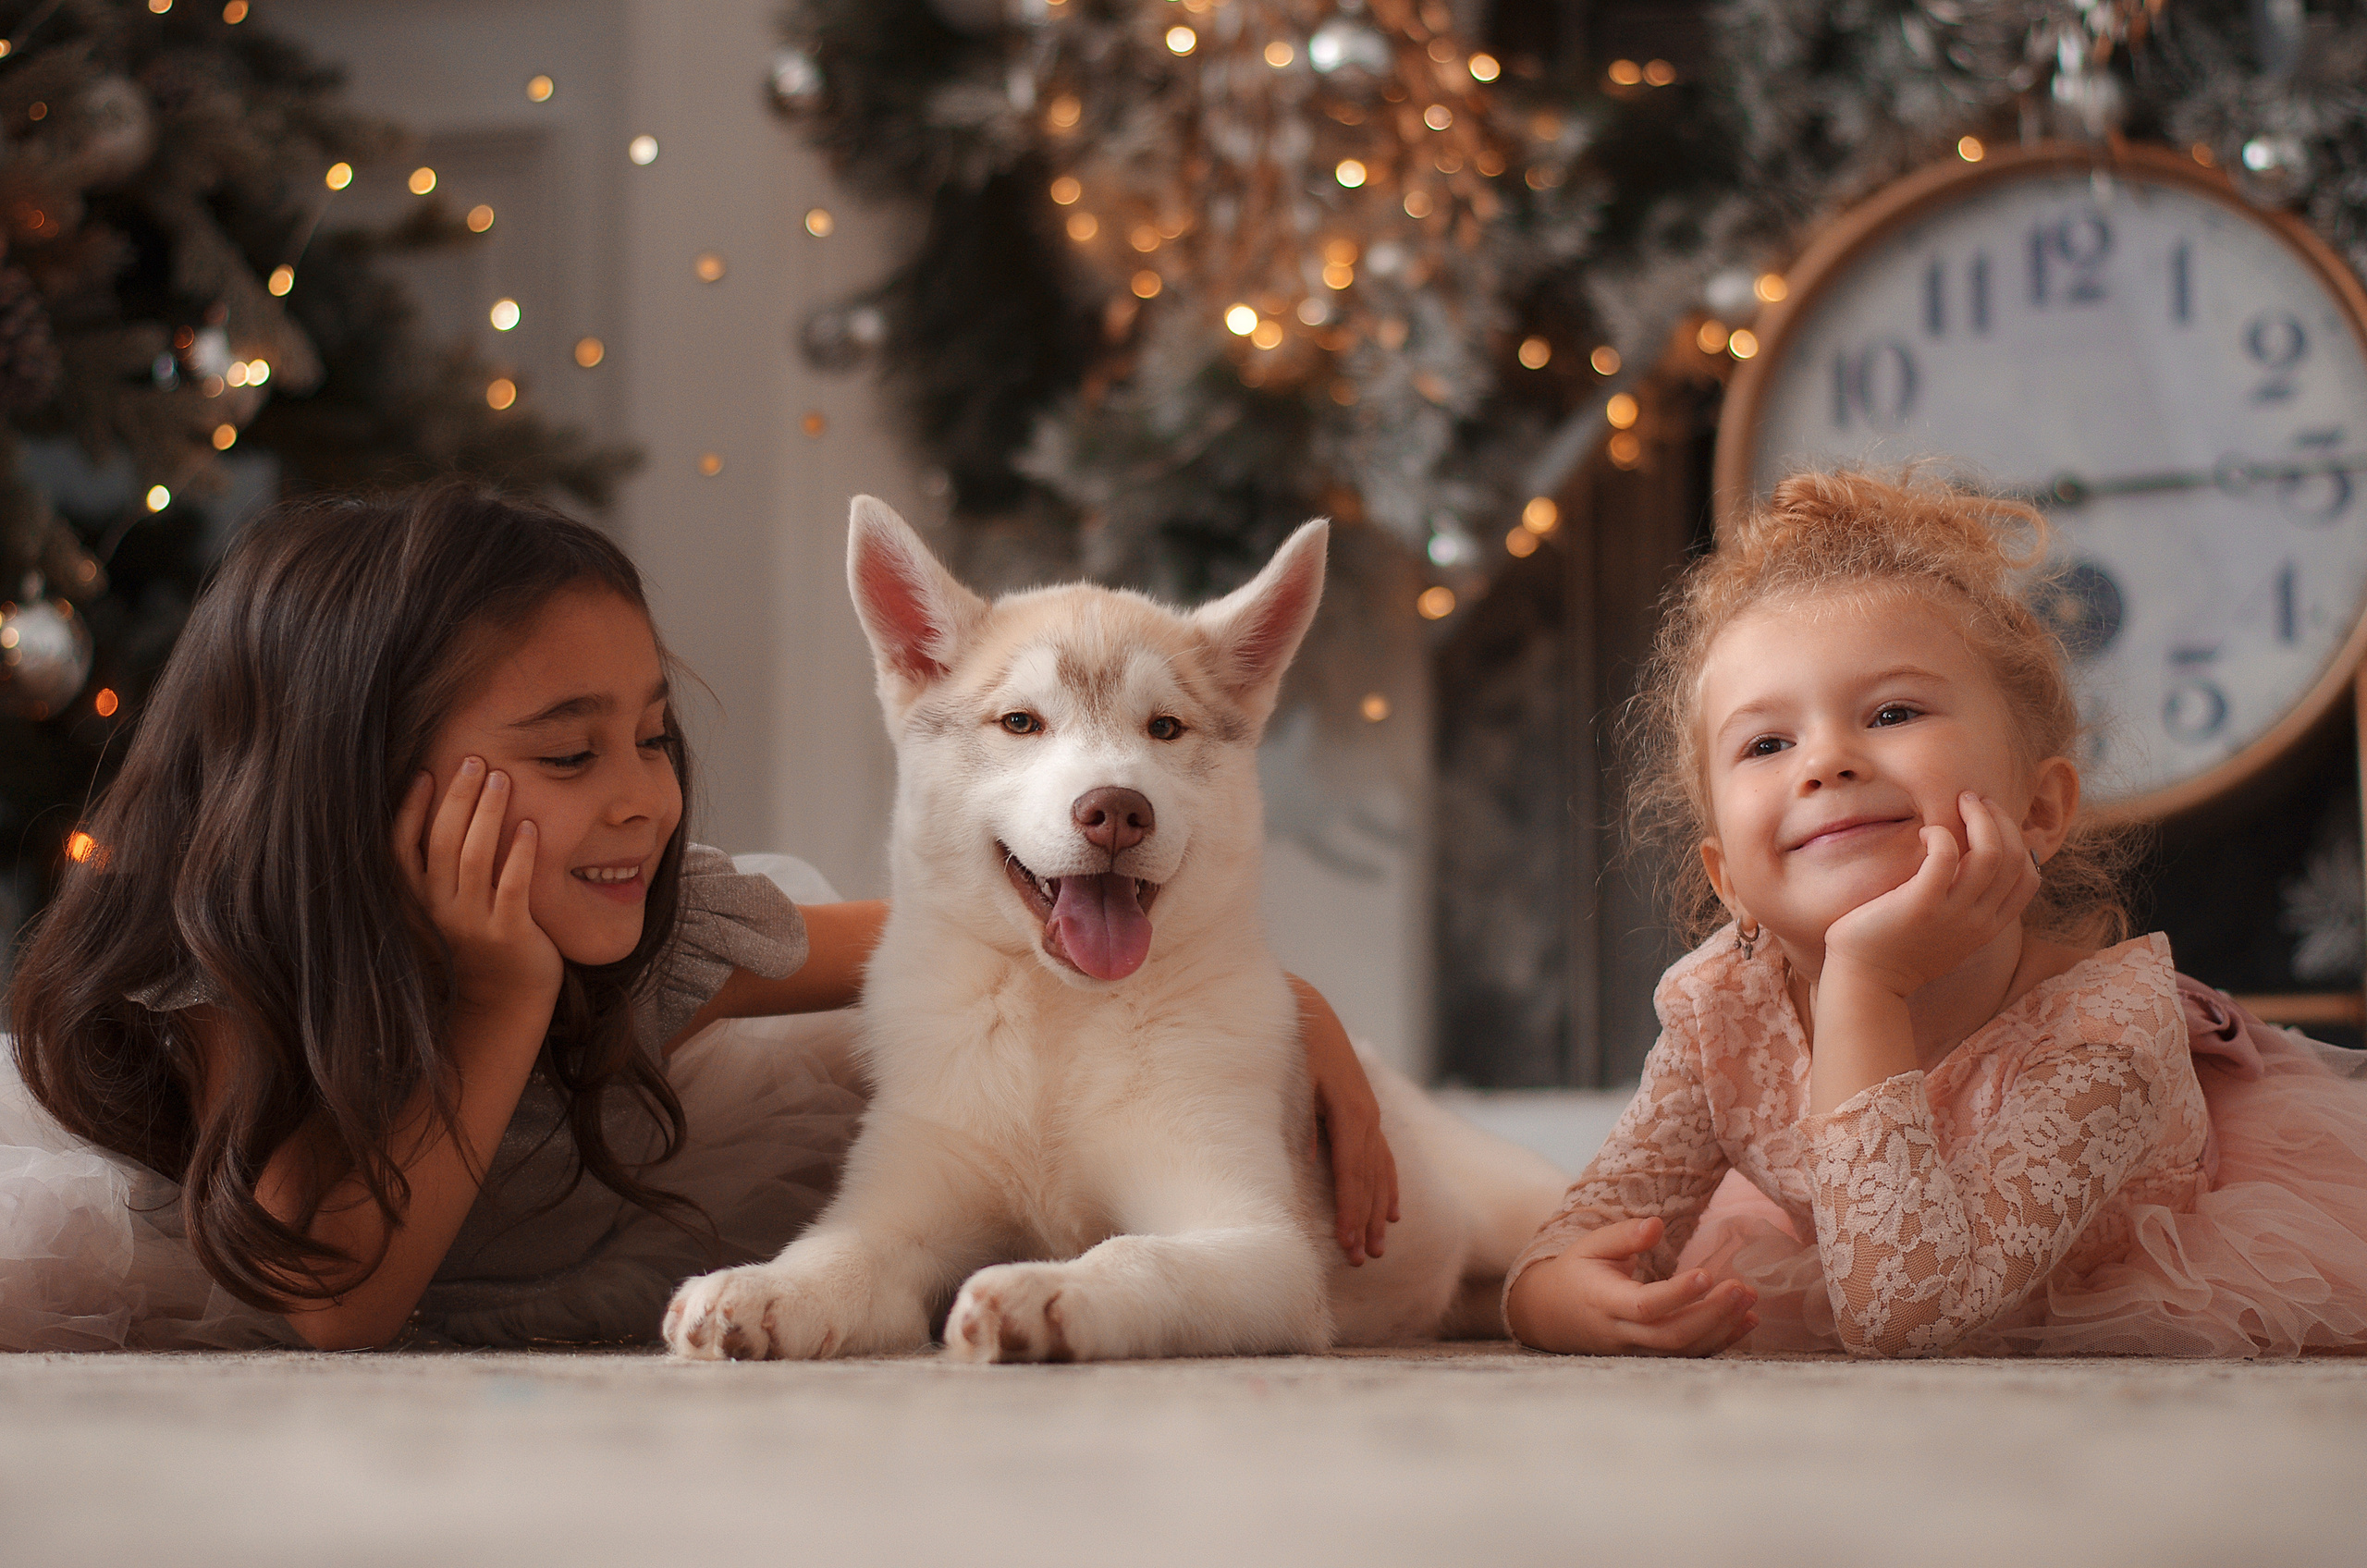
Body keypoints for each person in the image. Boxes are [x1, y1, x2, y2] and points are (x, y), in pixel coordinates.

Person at [1, 483, 1394, 1353]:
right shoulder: (227, 979)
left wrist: (1281, 1011)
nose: (642, 804)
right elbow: (333, 1302)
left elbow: (972, 941)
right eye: (567, 755)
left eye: (652, 740)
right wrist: (500, 994)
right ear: (358, 789)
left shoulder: (674, 936)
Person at [1506, 469, 2367, 1358]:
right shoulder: (1721, 1008)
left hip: (2120, 1278)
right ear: (1725, 878)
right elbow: (1580, 1235)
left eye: (1893, 712)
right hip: (1888, 1253)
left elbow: (1904, 1313)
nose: (1827, 761)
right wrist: (1556, 1296)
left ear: (2038, 809)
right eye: (1768, 742)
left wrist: (1865, 984)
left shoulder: (2109, 1028)